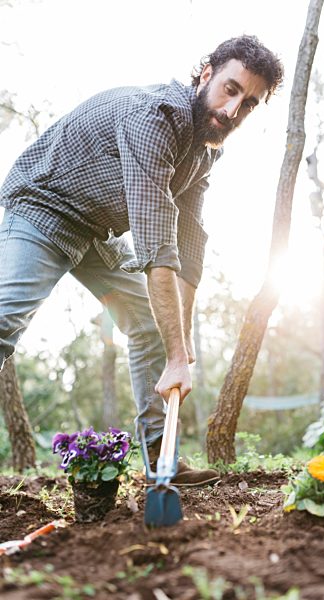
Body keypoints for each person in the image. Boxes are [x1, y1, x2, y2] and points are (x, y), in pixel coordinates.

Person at [0, 35, 283, 485]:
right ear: (206, 74)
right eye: (231, 90)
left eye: (248, 104)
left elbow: (189, 243)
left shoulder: (204, 150)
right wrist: (175, 356)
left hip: (95, 230)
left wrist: (181, 345)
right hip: (43, 207)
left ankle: (160, 459)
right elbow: (156, 247)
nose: (233, 111)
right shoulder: (153, 117)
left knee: (151, 323)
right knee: (4, 321)